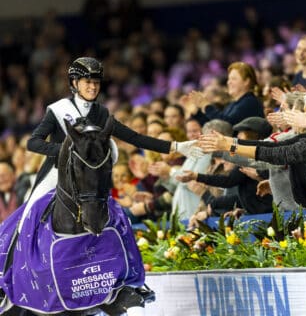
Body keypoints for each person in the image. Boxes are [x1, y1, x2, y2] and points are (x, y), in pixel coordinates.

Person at [24, 57, 203, 230]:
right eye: (87, 82)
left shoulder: (101, 113)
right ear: (74, 83)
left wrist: (177, 146)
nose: (93, 87)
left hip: (91, 180)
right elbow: (33, 143)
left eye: (96, 82)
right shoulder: (58, 110)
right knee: (28, 218)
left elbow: (135, 138)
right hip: (57, 175)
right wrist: (67, 151)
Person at [187, 61, 264, 126]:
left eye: (233, 79)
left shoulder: (250, 102)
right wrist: (196, 113)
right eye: (229, 79)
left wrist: (206, 106)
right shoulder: (234, 103)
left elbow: (225, 125)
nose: (229, 82)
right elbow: (212, 124)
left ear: (246, 81)